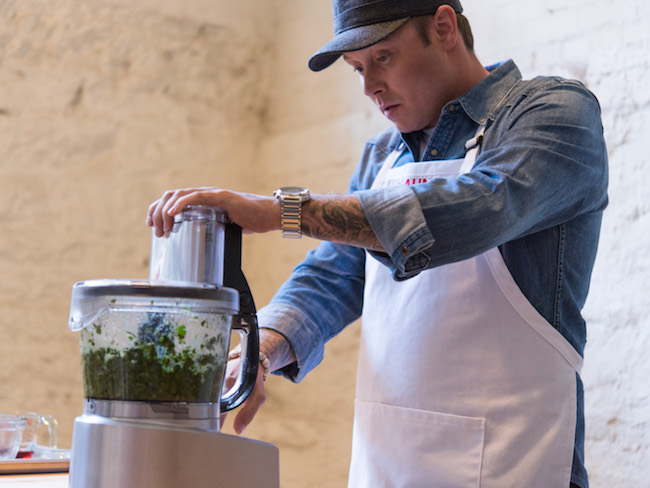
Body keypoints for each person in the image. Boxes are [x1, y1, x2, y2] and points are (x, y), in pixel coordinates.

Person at [146, 1, 608, 486]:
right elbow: (335, 273)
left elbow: (478, 210)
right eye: (357, 69)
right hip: (387, 466)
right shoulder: (383, 156)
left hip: (516, 464)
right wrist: (261, 351)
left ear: (444, 27)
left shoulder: (553, 113)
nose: (370, 88)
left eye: (383, 57)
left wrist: (278, 211)